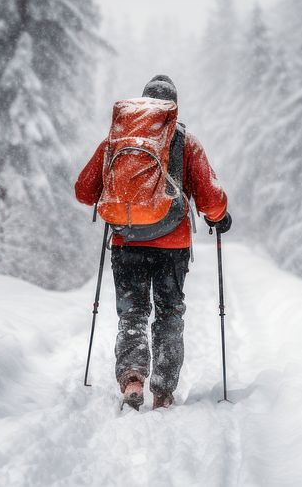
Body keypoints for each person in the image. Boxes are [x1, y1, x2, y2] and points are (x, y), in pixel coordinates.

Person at [74, 74, 231, 410]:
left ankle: (132, 378)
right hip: (172, 246)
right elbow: (211, 199)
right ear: (172, 107)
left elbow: (83, 191)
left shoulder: (117, 139)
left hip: (126, 242)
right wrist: (220, 217)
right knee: (169, 315)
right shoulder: (186, 142)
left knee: (132, 314)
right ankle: (162, 391)